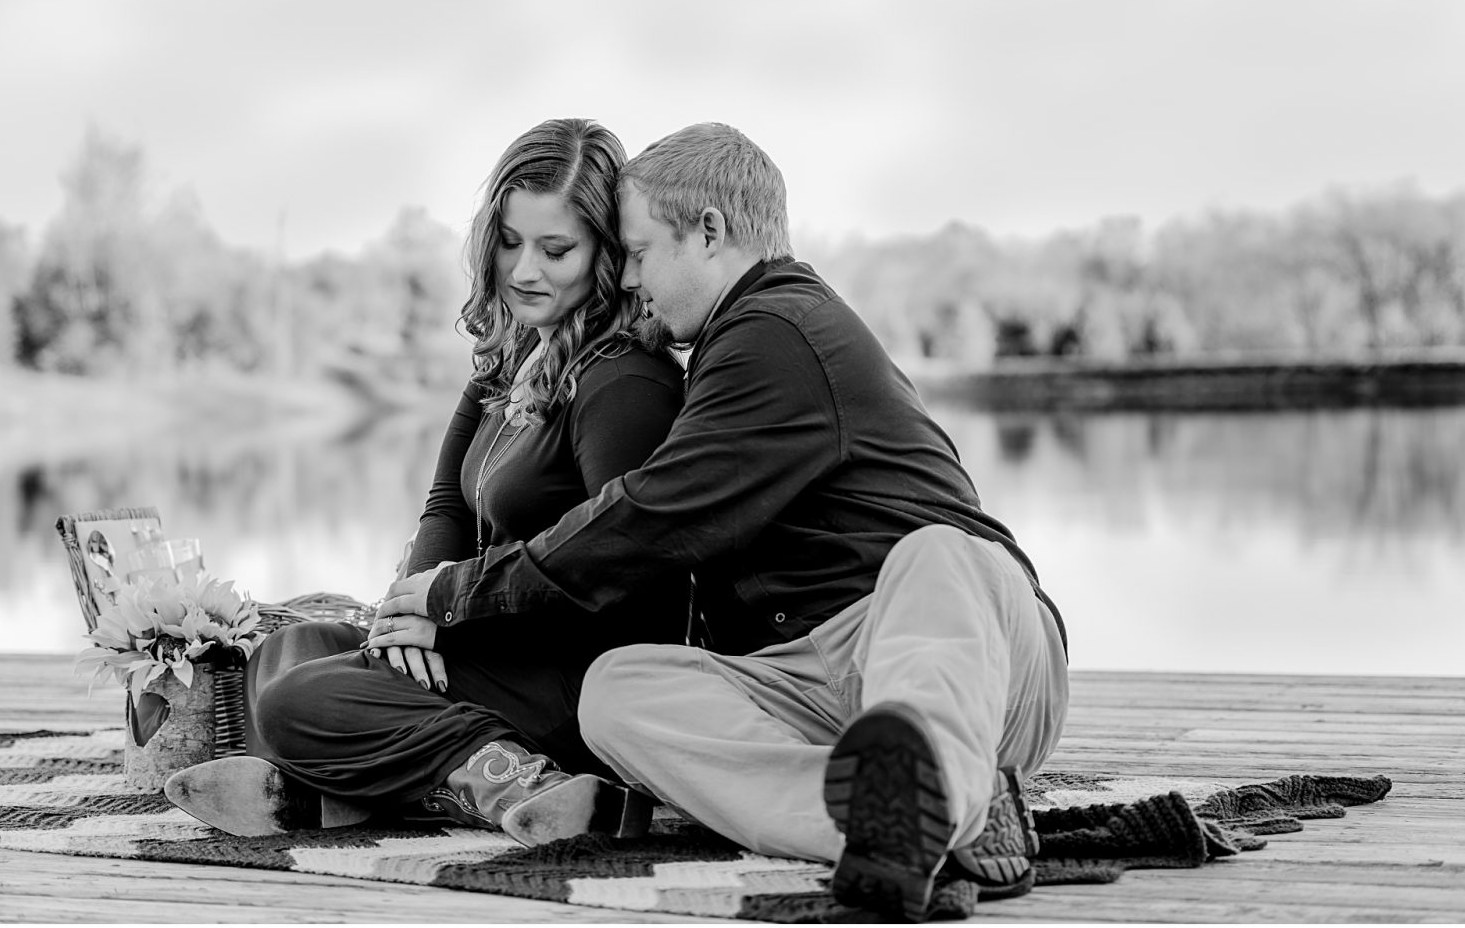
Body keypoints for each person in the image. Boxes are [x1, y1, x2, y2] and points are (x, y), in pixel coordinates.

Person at [374, 122, 1070, 920]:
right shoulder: (716, 348)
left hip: (960, 652)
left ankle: (934, 786)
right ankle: (915, 817)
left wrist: (457, 594)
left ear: (709, 231)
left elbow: (648, 517)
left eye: (637, 252)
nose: (628, 279)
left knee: (941, 553)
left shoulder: (779, 331)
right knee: (619, 689)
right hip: (817, 681)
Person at [166, 118, 684, 848]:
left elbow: (626, 572)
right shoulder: (508, 364)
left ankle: (514, 780)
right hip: (478, 637)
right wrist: (405, 616)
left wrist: (451, 615)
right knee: (292, 653)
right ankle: (407, 790)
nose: (524, 270)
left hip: (568, 671)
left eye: (556, 248)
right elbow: (445, 506)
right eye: (509, 242)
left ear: (605, 252)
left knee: (296, 705)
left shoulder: (624, 380)